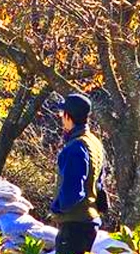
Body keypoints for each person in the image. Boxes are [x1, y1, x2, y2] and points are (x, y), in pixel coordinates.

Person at [50, 93, 108, 254]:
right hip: (90, 221)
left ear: (68, 117)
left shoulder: (76, 147)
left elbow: (73, 190)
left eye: (62, 114)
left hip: (74, 225)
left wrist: (57, 208)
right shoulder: (94, 142)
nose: (61, 119)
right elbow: (99, 184)